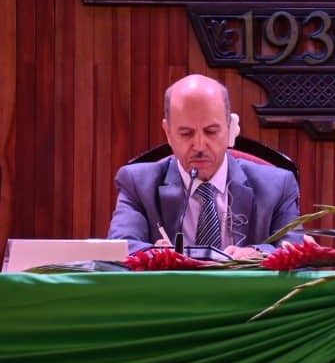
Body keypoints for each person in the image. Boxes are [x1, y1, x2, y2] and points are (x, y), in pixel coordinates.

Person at [108, 74, 303, 256]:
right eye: (186, 133)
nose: (199, 146)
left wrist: (257, 254)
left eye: (211, 131)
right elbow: (120, 247)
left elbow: (293, 248)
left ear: (229, 128)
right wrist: (156, 255)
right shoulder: (137, 184)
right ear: (168, 132)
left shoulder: (278, 185)